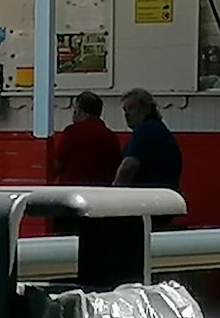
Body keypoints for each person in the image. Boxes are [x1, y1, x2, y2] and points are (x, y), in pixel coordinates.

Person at [116, 88, 183, 228]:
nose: (127, 114)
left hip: (145, 204)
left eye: (131, 108)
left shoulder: (145, 131)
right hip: (165, 201)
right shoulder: (160, 130)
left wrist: (114, 196)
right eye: (125, 110)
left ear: (146, 108)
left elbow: (128, 166)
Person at [51, 91, 123, 186]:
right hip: (102, 191)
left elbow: (57, 165)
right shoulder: (111, 137)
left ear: (78, 110)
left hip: (72, 191)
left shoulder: (72, 132)